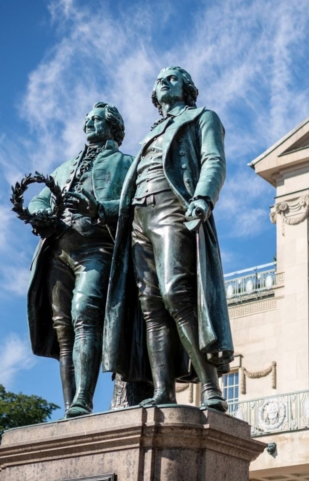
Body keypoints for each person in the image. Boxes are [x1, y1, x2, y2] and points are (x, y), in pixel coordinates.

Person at [103, 66, 233, 412]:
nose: (163, 82)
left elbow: (213, 160)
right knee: (151, 305)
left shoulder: (202, 117)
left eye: (172, 78)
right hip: (137, 218)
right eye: (159, 80)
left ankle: (210, 388)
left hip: (172, 207)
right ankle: (163, 390)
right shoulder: (150, 134)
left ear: (188, 88)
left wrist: (203, 198)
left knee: (176, 292)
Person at [26, 102, 134, 418]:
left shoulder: (126, 163)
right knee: (63, 330)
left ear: (113, 127)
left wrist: (99, 207)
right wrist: (38, 212)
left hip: (97, 247)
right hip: (57, 250)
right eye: (86, 119)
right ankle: (71, 406)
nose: (89, 123)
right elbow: (40, 198)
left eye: (97, 119)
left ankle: (83, 399)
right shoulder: (63, 169)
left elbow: (133, 202)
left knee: (84, 313)